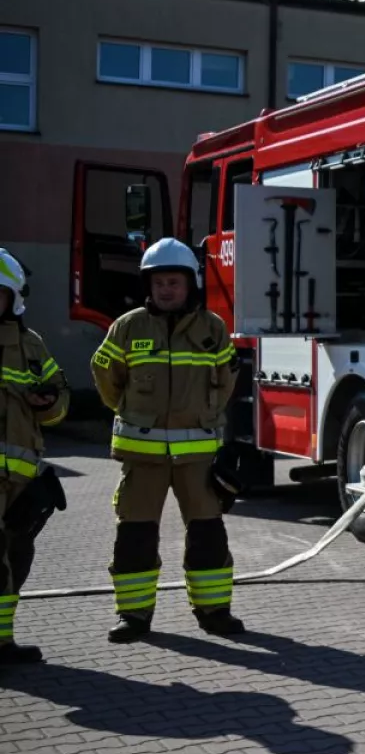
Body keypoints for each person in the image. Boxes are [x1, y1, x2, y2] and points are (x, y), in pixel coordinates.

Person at [90, 239, 242, 642]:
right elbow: (106, 378)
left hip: (197, 459)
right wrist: (130, 410)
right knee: (135, 536)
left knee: (208, 535)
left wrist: (204, 418)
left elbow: (225, 381)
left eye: (174, 281)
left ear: (191, 283)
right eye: (159, 282)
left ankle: (214, 612)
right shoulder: (127, 326)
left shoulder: (213, 328)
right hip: (143, 458)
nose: (166, 289)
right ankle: (133, 616)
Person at [1, 249, 70, 665]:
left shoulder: (31, 346)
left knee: (16, 558)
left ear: (13, 297)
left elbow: (60, 401)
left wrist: (47, 403)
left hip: (21, 480)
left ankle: (3, 643)